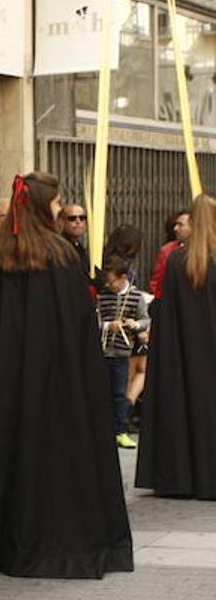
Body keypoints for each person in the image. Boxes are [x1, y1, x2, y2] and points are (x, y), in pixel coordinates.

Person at [0, 172, 132, 578]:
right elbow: (76, 330)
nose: (59, 209)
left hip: (6, 388)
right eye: (55, 203)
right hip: (54, 385)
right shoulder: (61, 256)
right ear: (40, 205)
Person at [137, 194, 216, 500]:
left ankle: (185, 477)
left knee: (185, 410)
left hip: (183, 354)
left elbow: (165, 311)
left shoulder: (176, 261)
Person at [97, 256, 149, 450]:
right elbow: (96, 320)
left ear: (123, 277)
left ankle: (121, 430)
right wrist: (109, 326)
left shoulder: (136, 297)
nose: (109, 286)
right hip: (103, 351)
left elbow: (145, 320)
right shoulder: (104, 295)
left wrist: (135, 325)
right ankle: (104, 429)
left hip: (122, 353)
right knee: (102, 391)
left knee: (120, 392)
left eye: (112, 282)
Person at [149, 210, 192, 300]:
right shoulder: (167, 251)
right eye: (175, 225)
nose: (175, 229)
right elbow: (157, 283)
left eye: (181, 225)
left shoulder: (207, 251)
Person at [59, 203, 88, 272]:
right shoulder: (59, 248)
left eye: (82, 218)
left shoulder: (79, 247)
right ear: (62, 222)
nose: (78, 221)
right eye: (72, 218)